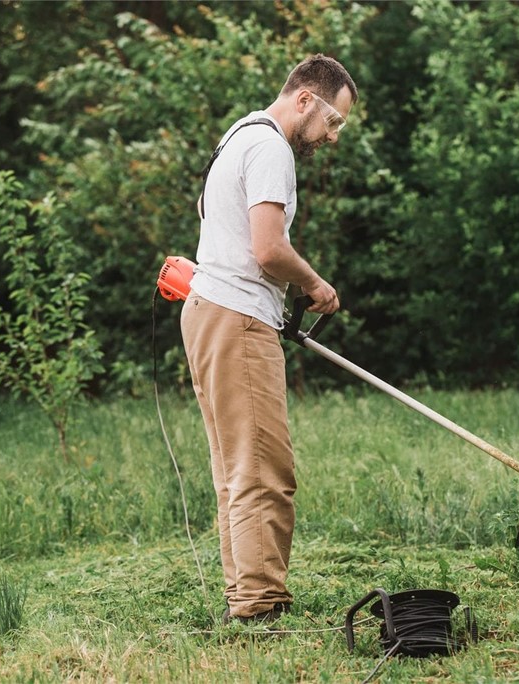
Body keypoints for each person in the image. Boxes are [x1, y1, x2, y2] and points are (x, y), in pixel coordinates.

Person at [180, 54, 357, 624]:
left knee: (235, 468)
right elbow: (268, 248)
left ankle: (247, 597)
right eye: (334, 121)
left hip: (207, 312)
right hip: (236, 319)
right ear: (305, 99)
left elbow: (210, 213)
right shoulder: (272, 148)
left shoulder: (238, 134)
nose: (332, 137)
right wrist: (315, 285)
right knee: (263, 470)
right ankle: (259, 608)